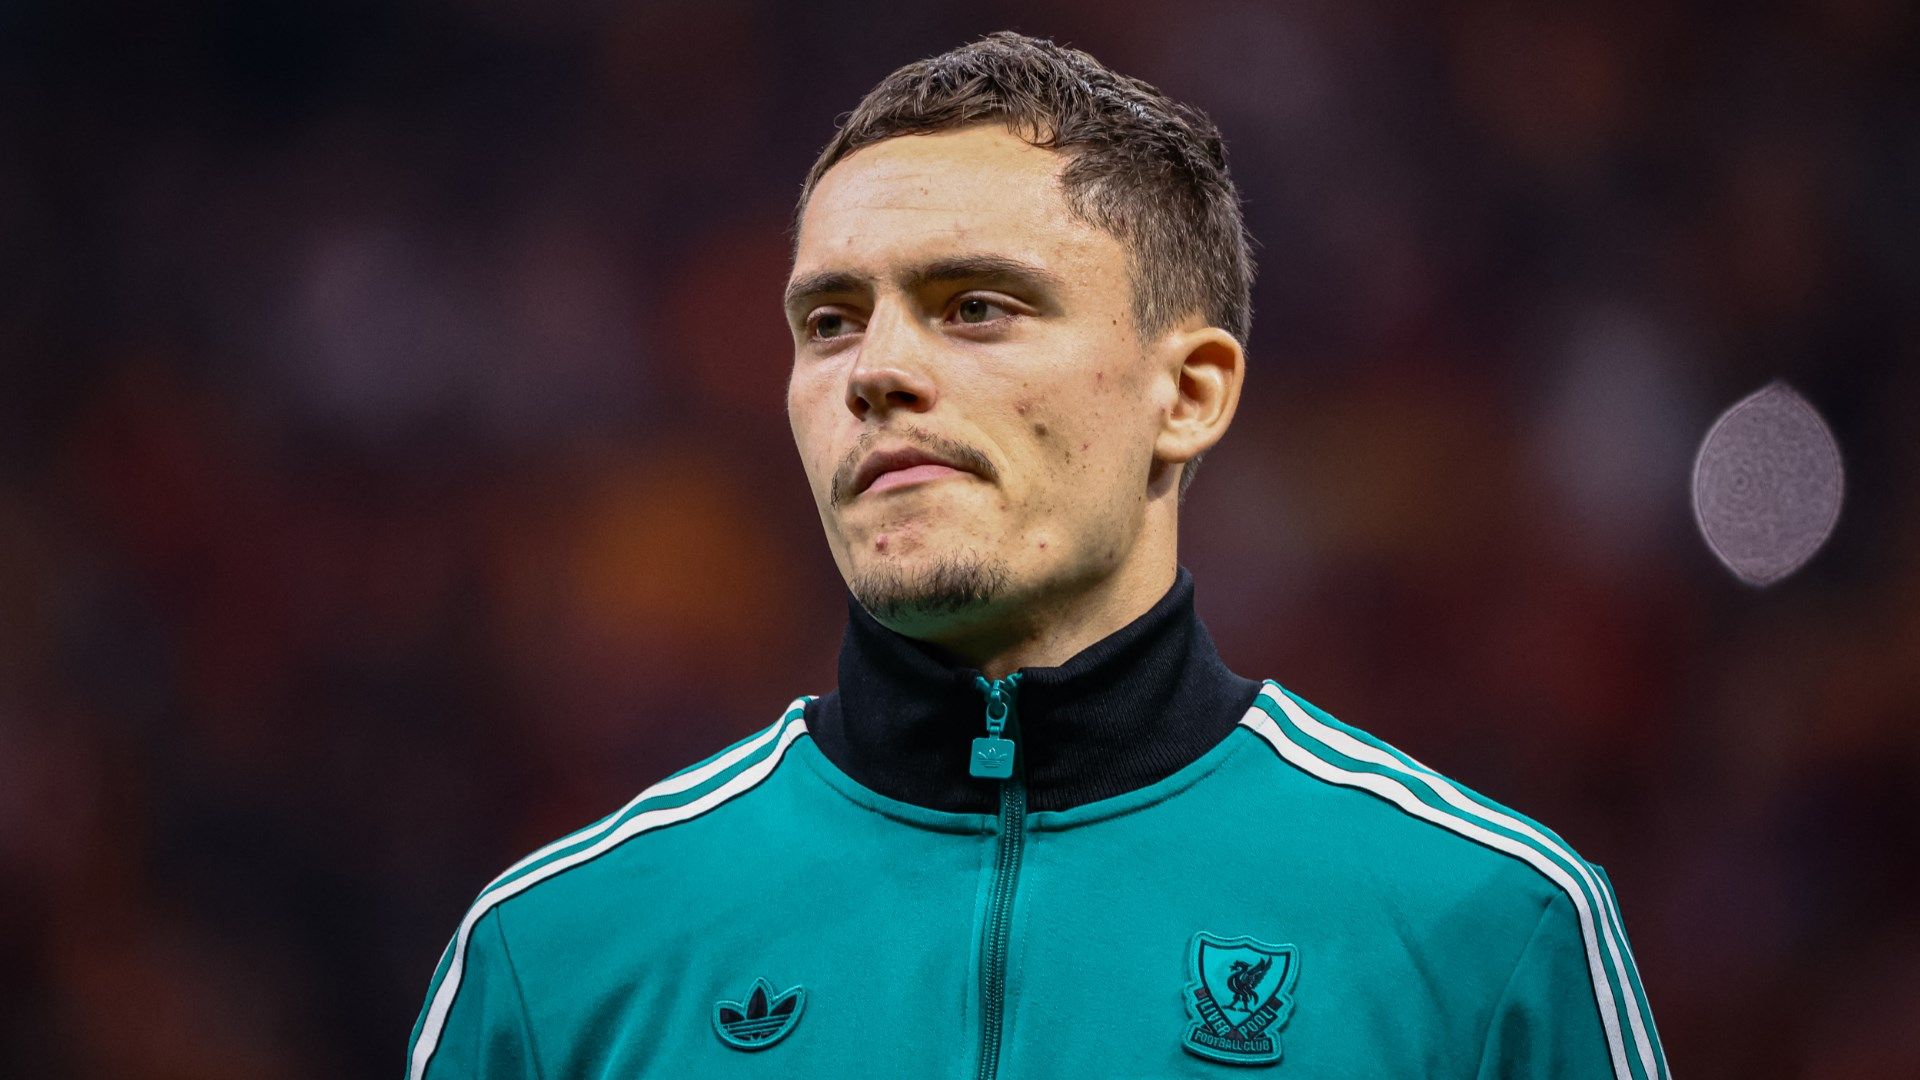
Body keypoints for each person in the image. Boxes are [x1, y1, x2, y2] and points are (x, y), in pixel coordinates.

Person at [406, 32, 1668, 1079]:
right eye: (830, 321)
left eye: (976, 307)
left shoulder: (1486, 932)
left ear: (1190, 393)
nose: (876, 372)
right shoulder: (555, 958)